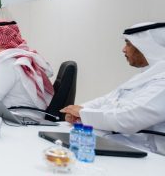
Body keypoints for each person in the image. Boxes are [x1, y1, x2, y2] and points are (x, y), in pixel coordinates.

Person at [61, 22, 165, 152]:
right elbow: (108, 99)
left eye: (128, 43)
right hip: (119, 140)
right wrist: (77, 110)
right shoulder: (147, 75)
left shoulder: (162, 81)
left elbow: (129, 118)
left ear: (146, 46)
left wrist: (83, 113)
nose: (124, 49)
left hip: (145, 151)